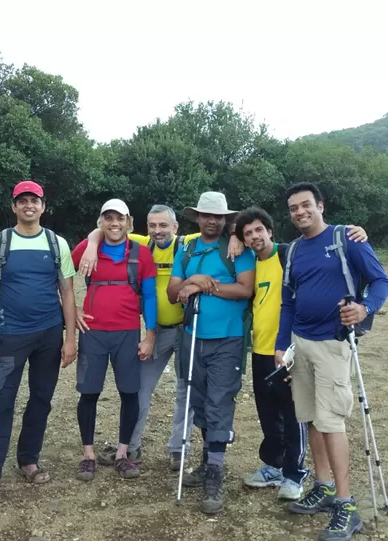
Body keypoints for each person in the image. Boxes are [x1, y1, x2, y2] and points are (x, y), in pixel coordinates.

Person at [77, 205, 244, 471]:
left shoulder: (186, 243)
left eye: (164, 225)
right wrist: (93, 243)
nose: (158, 231)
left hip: (187, 329)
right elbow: (105, 229)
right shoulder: (143, 244)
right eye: (152, 225)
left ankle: (178, 449)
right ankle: (131, 447)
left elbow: (220, 225)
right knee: (140, 388)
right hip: (159, 330)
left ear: (175, 227)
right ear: (145, 227)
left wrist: (235, 235)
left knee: (186, 392)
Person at [275, 182, 388, 541]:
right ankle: (323, 486)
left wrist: (365, 308)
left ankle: (346, 504)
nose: (299, 212)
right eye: (293, 208)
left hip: (334, 343)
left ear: (320, 206)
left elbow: (381, 281)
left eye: (305, 205)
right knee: (311, 417)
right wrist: (281, 345)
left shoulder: (347, 239)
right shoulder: (294, 250)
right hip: (301, 343)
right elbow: (288, 302)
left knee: (331, 421)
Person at [235, 207, 370, 502]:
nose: (254, 236)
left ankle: (295, 473)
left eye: (259, 230)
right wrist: (232, 237)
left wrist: (356, 232)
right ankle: (273, 466)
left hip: (290, 348)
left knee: (294, 413)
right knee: (267, 411)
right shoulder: (249, 263)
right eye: (247, 233)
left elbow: (321, 249)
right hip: (261, 348)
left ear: (270, 231)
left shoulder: (288, 254)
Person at [0, 180, 78, 509]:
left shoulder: (56, 243)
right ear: (14, 206)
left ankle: (28, 459)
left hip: (49, 335)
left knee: (41, 399)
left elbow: (67, 292)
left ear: (43, 207)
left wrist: (70, 338)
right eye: (22, 200)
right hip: (12, 337)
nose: (29, 205)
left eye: (35, 200)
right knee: (1, 400)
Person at [167, 191, 256, 515]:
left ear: (225, 219)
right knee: (201, 402)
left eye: (218, 216)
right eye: (206, 215)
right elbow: (172, 292)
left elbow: (245, 289)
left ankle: (215, 471)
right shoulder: (187, 249)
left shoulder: (237, 249)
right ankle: (208, 461)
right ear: (198, 217)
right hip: (193, 337)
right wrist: (192, 279)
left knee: (219, 401)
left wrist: (205, 286)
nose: (212, 220)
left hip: (227, 339)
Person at [71, 199, 157, 481]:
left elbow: (150, 296)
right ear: (101, 222)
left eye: (119, 218)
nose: (114, 223)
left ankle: (122, 454)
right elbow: (61, 278)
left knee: (129, 392)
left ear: (129, 222)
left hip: (127, 332)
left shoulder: (142, 254)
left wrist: (150, 335)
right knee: (89, 393)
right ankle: (88, 456)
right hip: (92, 332)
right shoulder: (87, 249)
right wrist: (73, 309)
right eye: (108, 218)